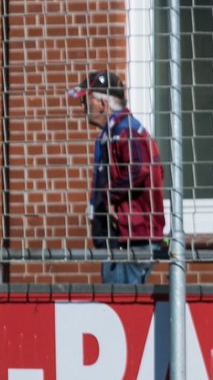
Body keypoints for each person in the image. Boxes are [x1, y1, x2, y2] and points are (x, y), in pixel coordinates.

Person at [67, 70, 165, 285]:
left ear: (103, 103)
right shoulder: (116, 132)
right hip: (125, 238)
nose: (83, 106)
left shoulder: (124, 131)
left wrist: (110, 197)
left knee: (121, 305)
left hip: (130, 242)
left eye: (86, 99)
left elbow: (140, 169)